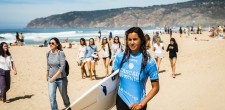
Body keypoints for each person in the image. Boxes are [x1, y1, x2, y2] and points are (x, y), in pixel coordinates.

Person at [112, 27, 159, 110]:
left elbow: (156, 87)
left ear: (141, 40)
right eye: (129, 40)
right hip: (121, 100)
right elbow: (112, 78)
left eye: (135, 39)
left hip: (138, 104)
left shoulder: (149, 62)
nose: (132, 42)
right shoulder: (120, 57)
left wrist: (141, 104)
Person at [46, 37, 70, 110]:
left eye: (52, 43)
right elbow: (48, 65)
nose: (50, 44)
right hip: (51, 78)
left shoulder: (61, 53)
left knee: (64, 96)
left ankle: (68, 107)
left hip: (61, 79)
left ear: (57, 44)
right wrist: (47, 74)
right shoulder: (48, 53)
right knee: (51, 97)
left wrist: (54, 77)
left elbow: (62, 67)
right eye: (50, 43)